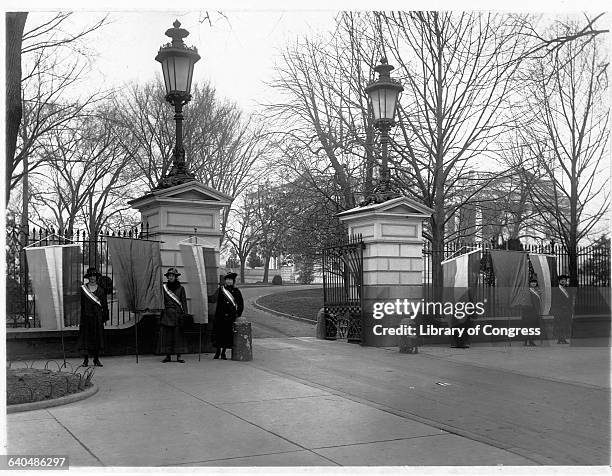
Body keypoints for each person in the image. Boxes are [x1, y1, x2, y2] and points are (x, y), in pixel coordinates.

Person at [78, 267, 109, 367]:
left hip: (97, 317)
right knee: (86, 339)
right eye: (90, 276)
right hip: (86, 317)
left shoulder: (101, 290)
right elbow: (81, 304)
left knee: (97, 338)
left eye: (94, 276)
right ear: (88, 278)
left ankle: (96, 359)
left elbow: (104, 305)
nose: (92, 278)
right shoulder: (83, 289)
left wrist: (104, 317)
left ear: (96, 277)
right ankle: (85, 360)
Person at [158, 268, 188, 363]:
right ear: (167, 277)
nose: (171, 277)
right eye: (169, 276)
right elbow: (161, 301)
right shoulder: (164, 288)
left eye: (172, 276)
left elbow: (183, 302)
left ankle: (179, 356)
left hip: (177, 314)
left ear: (176, 277)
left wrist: (185, 314)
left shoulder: (181, 288)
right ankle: (168, 356)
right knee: (167, 336)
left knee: (178, 336)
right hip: (167, 314)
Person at [212, 272, 244, 360]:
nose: (229, 281)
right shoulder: (221, 290)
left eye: (230, 280)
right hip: (220, 316)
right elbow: (213, 298)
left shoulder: (236, 291)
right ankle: (217, 351)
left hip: (230, 317)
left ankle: (223, 353)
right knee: (219, 334)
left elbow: (240, 304)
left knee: (227, 335)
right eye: (227, 279)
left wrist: (237, 314)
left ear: (233, 281)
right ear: (225, 281)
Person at [552, 274, 573, 344]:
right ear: (559, 281)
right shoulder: (556, 289)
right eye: (562, 280)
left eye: (564, 280)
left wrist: (570, 309)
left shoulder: (568, 289)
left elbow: (570, 300)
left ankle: (563, 338)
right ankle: (559, 339)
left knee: (565, 324)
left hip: (566, 310)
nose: (563, 281)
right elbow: (554, 300)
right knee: (559, 324)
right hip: (559, 309)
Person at [522, 277, 541, 346]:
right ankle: (527, 341)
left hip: (535, 312)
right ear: (529, 283)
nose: (534, 283)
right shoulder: (527, 291)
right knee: (528, 327)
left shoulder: (538, 291)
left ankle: (530, 340)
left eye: (535, 282)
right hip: (529, 312)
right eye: (532, 282)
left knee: (533, 327)